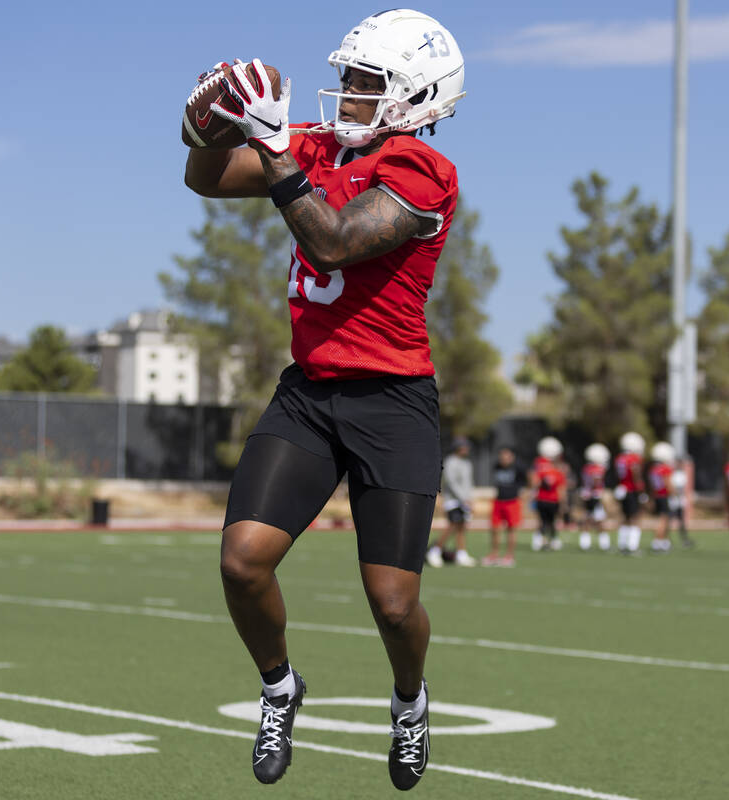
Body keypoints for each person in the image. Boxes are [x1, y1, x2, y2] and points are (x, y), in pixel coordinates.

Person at [185, 9, 465, 789]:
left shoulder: (422, 171)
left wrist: (276, 152)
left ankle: (410, 704)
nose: (347, 94)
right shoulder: (309, 144)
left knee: (393, 604)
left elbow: (333, 240)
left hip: (394, 401)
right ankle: (280, 688)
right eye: (348, 77)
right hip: (310, 392)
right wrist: (203, 121)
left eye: (368, 83)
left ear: (417, 97)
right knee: (242, 563)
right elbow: (204, 179)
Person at [427, 437, 476, 568]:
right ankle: (434, 551)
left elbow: (468, 483)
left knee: (462, 526)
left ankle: (461, 554)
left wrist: (470, 498)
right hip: (453, 501)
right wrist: (463, 498)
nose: (466, 449)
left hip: (465, 500)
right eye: (464, 446)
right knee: (452, 525)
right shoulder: (450, 462)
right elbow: (451, 482)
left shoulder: (467, 463)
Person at [483, 446, 524, 566]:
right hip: (498, 501)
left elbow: (530, 480)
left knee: (511, 529)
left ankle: (509, 556)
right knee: (494, 529)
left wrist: (526, 494)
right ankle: (494, 554)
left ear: (512, 456)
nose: (503, 458)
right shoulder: (497, 466)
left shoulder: (518, 468)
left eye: (506, 455)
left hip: (512, 502)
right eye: (502, 455)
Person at [530, 436, 567, 551]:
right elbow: (534, 482)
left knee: (547, 521)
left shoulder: (551, 470)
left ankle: (547, 540)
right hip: (546, 499)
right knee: (546, 521)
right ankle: (544, 540)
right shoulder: (552, 470)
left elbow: (534, 482)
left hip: (547, 499)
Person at [614, 432, 646, 554]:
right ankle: (632, 546)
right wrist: (641, 489)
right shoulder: (634, 458)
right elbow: (635, 473)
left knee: (625, 517)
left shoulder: (619, 458)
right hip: (632, 490)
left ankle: (622, 544)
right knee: (635, 517)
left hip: (622, 489)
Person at [578, 443, 612, 551]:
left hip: (588, 495)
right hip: (594, 496)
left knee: (588, 519)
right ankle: (604, 543)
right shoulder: (597, 468)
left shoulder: (586, 468)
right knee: (599, 520)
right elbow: (596, 481)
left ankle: (585, 543)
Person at [646, 441, 676, 553]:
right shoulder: (665, 468)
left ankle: (663, 541)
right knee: (664, 519)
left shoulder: (652, 469)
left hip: (656, 495)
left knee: (660, 519)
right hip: (664, 496)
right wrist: (674, 495)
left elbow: (651, 485)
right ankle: (657, 542)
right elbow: (668, 483)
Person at [668, 458, 695, 549]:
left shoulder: (682, 474)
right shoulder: (673, 474)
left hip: (679, 500)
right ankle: (666, 539)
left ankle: (684, 539)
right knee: (669, 520)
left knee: (681, 521)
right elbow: (674, 488)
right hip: (674, 500)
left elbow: (682, 489)